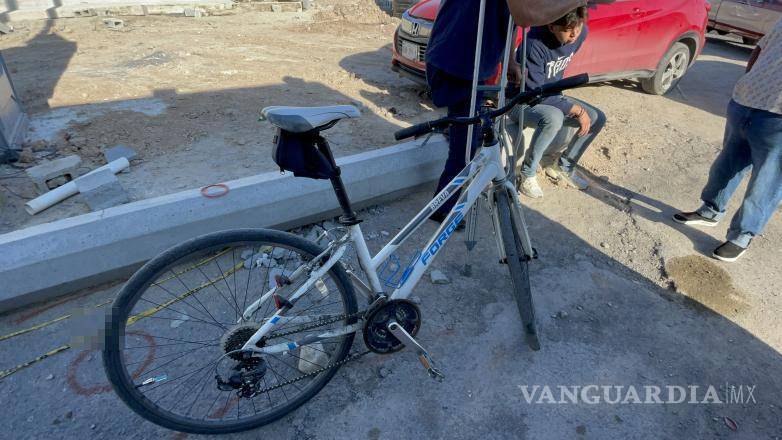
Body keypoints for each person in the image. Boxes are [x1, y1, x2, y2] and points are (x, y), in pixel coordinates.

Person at [425, 0, 590, 224]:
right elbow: (525, 15)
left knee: (467, 138)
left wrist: (510, 60)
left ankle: (448, 192)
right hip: (458, 61)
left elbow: (512, 20)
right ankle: (442, 209)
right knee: (465, 146)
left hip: (468, 60)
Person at [673, 18, 782, 262]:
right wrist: (746, 81)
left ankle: (741, 235)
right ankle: (711, 210)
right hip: (745, 102)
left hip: (778, 119)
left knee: (766, 183)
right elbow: (762, 48)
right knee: (726, 165)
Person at [512, 7, 606, 198]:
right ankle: (527, 174)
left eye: (577, 27)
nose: (574, 35)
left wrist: (569, 106)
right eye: (568, 29)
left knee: (597, 118)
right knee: (554, 117)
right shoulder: (533, 45)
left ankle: (564, 166)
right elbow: (535, 93)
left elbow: (553, 84)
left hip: (551, 97)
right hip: (522, 102)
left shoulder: (580, 32)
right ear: (551, 25)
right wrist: (575, 110)